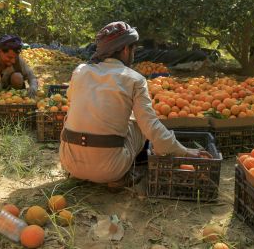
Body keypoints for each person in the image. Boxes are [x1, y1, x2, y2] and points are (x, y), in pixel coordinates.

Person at [59, 21, 211, 186]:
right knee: (141, 124)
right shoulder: (134, 79)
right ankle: (118, 177)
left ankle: (82, 170)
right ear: (125, 49)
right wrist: (186, 152)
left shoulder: (80, 71)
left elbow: (73, 99)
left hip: (69, 163)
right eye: (134, 49)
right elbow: (151, 127)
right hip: (110, 170)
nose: (134, 54)